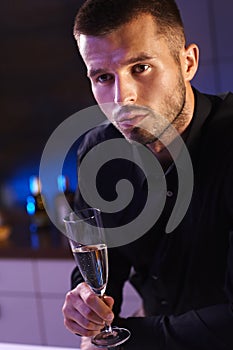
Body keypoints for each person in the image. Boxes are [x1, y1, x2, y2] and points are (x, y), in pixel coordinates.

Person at [62, 0, 233, 349]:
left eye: (140, 67)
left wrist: (132, 339)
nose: (123, 97)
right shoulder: (98, 154)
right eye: (103, 78)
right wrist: (88, 305)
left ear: (187, 63)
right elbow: (97, 260)